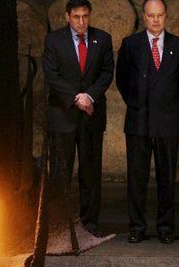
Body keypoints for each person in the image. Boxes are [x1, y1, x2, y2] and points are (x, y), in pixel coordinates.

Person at [116, 0, 179, 244]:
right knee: (136, 178)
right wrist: (139, 103)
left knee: (166, 177)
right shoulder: (130, 44)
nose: (156, 20)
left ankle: (166, 227)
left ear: (166, 15)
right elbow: (122, 81)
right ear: (144, 17)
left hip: (167, 122)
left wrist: (165, 105)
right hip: (138, 121)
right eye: (151, 16)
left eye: (160, 15)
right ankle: (137, 227)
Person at [43, 0, 114, 237]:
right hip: (63, 115)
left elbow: (106, 72)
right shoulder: (54, 40)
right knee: (60, 174)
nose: (81, 22)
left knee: (91, 173)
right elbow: (51, 75)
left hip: (91, 117)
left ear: (90, 15)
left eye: (85, 16)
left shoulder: (102, 39)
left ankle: (89, 225)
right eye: (76, 17)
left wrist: (90, 96)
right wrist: (76, 98)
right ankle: (58, 226)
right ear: (67, 17)